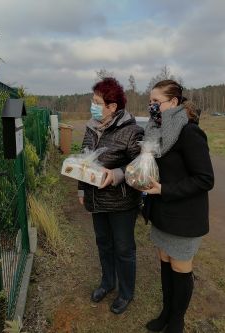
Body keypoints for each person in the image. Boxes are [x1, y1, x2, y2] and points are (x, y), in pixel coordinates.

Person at [142, 80, 214, 332]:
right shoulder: (155, 130)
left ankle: (176, 321)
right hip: (162, 212)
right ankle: (166, 312)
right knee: (164, 263)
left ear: (173, 103)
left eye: (156, 102)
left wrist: (165, 189)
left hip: (184, 217)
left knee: (180, 268)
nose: (151, 107)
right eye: (149, 102)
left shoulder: (189, 132)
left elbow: (205, 179)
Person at [77, 77, 144, 314]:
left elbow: (142, 166)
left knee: (124, 249)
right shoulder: (91, 127)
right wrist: (81, 188)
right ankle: (107, 283)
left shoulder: (132, 131)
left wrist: (116, 174)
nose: (92, 106)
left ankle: (126, 293)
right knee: (104, 244)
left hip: (122, 202)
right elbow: (83, 159)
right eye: (92, 101)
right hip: (96, 199)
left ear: (112, 106)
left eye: (97, 102)